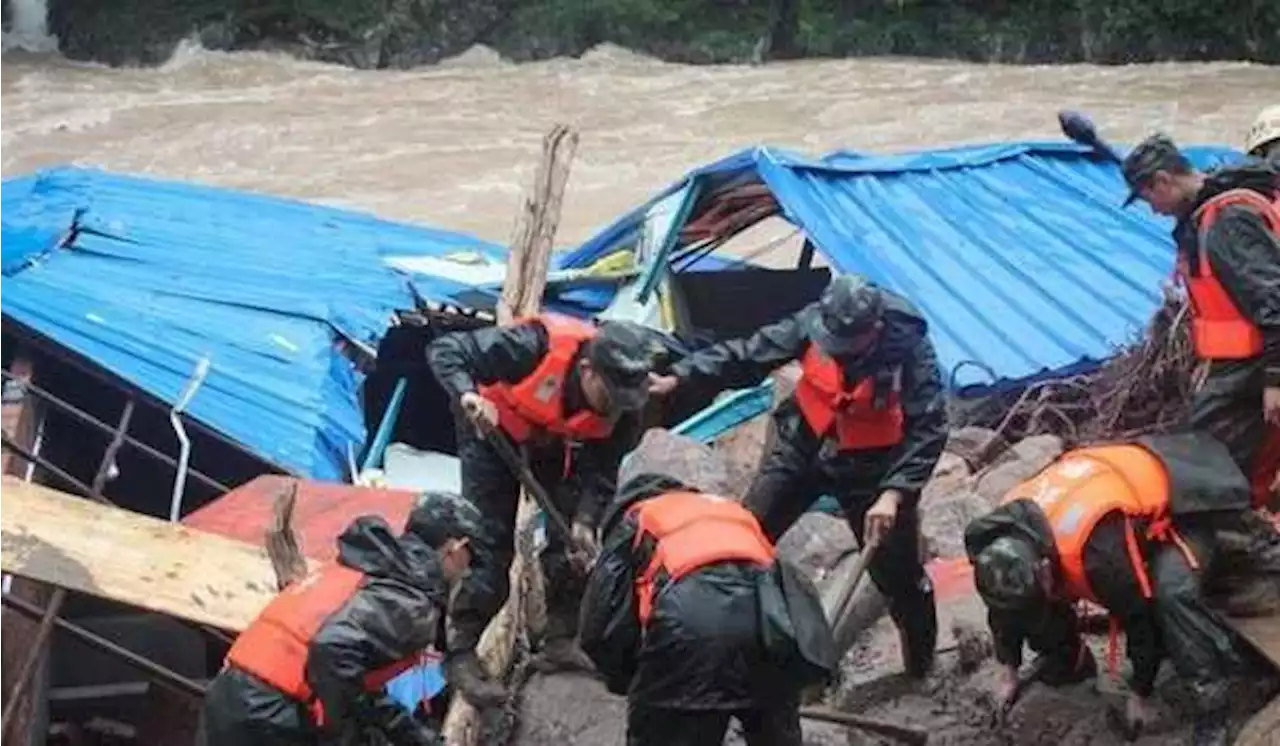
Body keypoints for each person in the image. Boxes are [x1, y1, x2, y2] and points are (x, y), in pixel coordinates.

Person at [648, 273, 948, 678]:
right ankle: (725, 650)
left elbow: (929, 427)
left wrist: (895, 492)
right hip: (804, 446)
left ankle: (919, 669)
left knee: (900, 578)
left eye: (847, 346)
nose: (836, 352)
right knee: (744, 537)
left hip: (875, 470)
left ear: (873, 331)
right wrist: (682, 375)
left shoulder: (910, 350)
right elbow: (751, 352)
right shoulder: (816, 322)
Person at [425, 312, 661, 704]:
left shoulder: (625, 408)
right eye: (610, 397)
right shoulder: (529, 346)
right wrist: (467, 394)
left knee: (571, 545)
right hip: (490, 430)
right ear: (587, 370)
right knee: (489, 546)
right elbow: (447, 350)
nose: (615, 410)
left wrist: (586, 521)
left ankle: (560, 638)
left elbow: (602, 473)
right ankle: (461, 654)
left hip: (551, 441)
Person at [965, 433, 1249, 746]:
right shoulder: (999, 538)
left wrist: (1140, 691)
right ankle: (1069, 661)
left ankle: (1213, 708)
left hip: (1182, 506)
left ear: (1044, 569)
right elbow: (1004, 609)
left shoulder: (1097, 558)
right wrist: (1009, 670)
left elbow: (1138, 619)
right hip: (1113, 499)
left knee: (1172, 595)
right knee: (1031, 604)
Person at [579, 450, 837, 746]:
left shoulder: (637, 519)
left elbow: (598, 626)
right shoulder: (729, 512)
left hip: (691, 627)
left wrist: (630, 680)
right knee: (774, 730)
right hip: (771, 626)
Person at [200, 492, 483, 746]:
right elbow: (332, 650)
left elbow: (354, 674)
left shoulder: (362, 566)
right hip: (269, 715)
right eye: (470, 560)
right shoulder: (407, 600)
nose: (466, 573)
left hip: (230, 692)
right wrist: (353, 734)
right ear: (455, 548)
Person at [1121, 133, 1280, 506]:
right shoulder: (1208, 215)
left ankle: (1242, 536)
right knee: (1225, 458)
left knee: (1212, 462)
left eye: (1150, 199)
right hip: (1237, 368)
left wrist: (1275, 379)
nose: (1154, 211)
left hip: (1255, 367)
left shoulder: (1226, 222)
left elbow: (1273, 299)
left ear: (1163, 181)